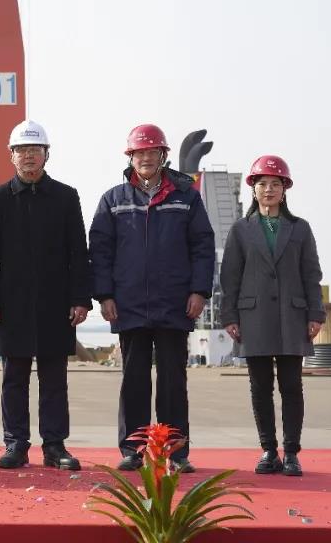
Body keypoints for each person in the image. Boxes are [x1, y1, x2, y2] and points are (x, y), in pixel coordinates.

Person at [88, 123, 214, 473]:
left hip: (175, 303)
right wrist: (104, 295)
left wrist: (200, 291)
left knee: (173, 381)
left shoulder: (186, 198)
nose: (146, 158)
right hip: (128, 304)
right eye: (139, 152)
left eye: (152, 152)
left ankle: (176, 452)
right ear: (130, 157)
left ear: (163, 156)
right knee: (134, 381)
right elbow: (100, 251)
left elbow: (203, 247)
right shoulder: (113, 200)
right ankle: (134, 449)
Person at [0, 120, 91, 470]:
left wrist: (80, 298)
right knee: (14, 378)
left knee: (54, 379)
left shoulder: (66, 197)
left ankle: (55, 446)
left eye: (35, 150)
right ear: (11, 155)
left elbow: (78, 252)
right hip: (11, 304)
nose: (29, 156)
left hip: (56, 304)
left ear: (46, 154)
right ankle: (15, 444)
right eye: (22, 150)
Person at [220, 155, 324, 477]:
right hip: (253, 317)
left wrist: (315, 313)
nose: (268, 189)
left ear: (284, 189)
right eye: (262, 184)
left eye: (275, 184)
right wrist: (229, 316)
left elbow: (311, 273)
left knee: (292, 386)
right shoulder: (240, 230)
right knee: (260, 387)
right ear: (253, 189)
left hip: (293, 316)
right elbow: (230, 277)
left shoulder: (300, 228)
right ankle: (268, 450)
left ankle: (291, 452)